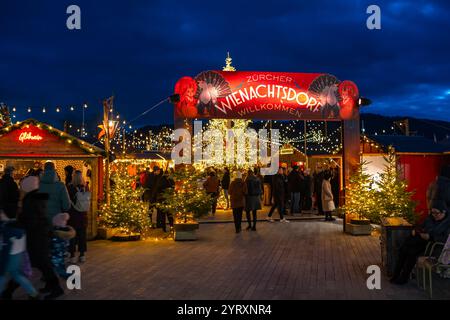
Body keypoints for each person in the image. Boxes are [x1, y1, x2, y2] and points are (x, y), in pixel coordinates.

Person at [18, 190, 65, 299]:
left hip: (37, 238)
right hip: (40, 236)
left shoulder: (30, 199)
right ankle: (51, 286)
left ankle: (56, 289)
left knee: (43, 265)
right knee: (43, 266)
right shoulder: (36, 197)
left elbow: (31, 219)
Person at [390, 200, 450, 285]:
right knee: (404, 249)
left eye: (437, 213)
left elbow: (446, 239)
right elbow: (420, 225)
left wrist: (431, 237)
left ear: (444, 211)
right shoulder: (430, 218)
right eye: (433, 213)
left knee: (411, 251)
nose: (434, 215)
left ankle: (403, 277)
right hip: (421, 241)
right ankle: (396, 275)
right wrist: (417, 230)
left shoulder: (447, 223)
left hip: (434, 246)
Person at [0, 210, 39, 300]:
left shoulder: (7, 229)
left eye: (2, 213)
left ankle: (33, 293)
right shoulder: (18, 225)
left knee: (2, 275)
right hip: (18, 255)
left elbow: (6, 248)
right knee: (16, 274)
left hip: (9, 256)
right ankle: (33, 293)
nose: (0, 214)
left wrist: (2, 265)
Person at [67, 171, 89, 263]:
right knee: (82, 235)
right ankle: (82, 254)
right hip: (82, 214)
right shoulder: (84, 187)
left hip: (73, 214)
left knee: (72, 235)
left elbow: (67, 201)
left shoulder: (70, 188)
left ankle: (72, 255)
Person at [50, 213, 75, 278]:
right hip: (59, 254)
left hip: (57, 253)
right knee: (59, 264)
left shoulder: (57, 234)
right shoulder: (63, 234)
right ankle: (64, 274)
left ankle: (65, 274)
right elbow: (64, 245)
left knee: (58, 265)